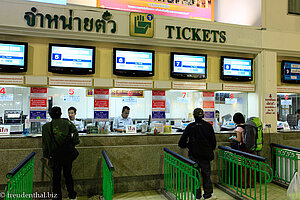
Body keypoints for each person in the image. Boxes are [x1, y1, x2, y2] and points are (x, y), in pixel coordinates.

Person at [178, 108, 217, 200]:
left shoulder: (190, 127)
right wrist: (209, 149)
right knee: (206, 175)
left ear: (194, 116)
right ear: (203, 115)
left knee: (195, 176)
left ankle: (197, 195)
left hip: (194, 155)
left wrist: (188, 146)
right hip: (206, 156)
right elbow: (213, 143)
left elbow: (181, 142)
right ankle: (208, 195)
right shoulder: (208, 126)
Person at [42, 107, 80, 200]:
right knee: (68, 174)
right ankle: (72, 195)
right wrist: (73, 143)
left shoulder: (46, 127)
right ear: (61, 114)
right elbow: (76, 136)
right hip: (67, 153)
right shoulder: (68, 123)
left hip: (55, 155)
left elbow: (45, 144)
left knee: (56, 177)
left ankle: (57, 197)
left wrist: (46, 157)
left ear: (50, 115)